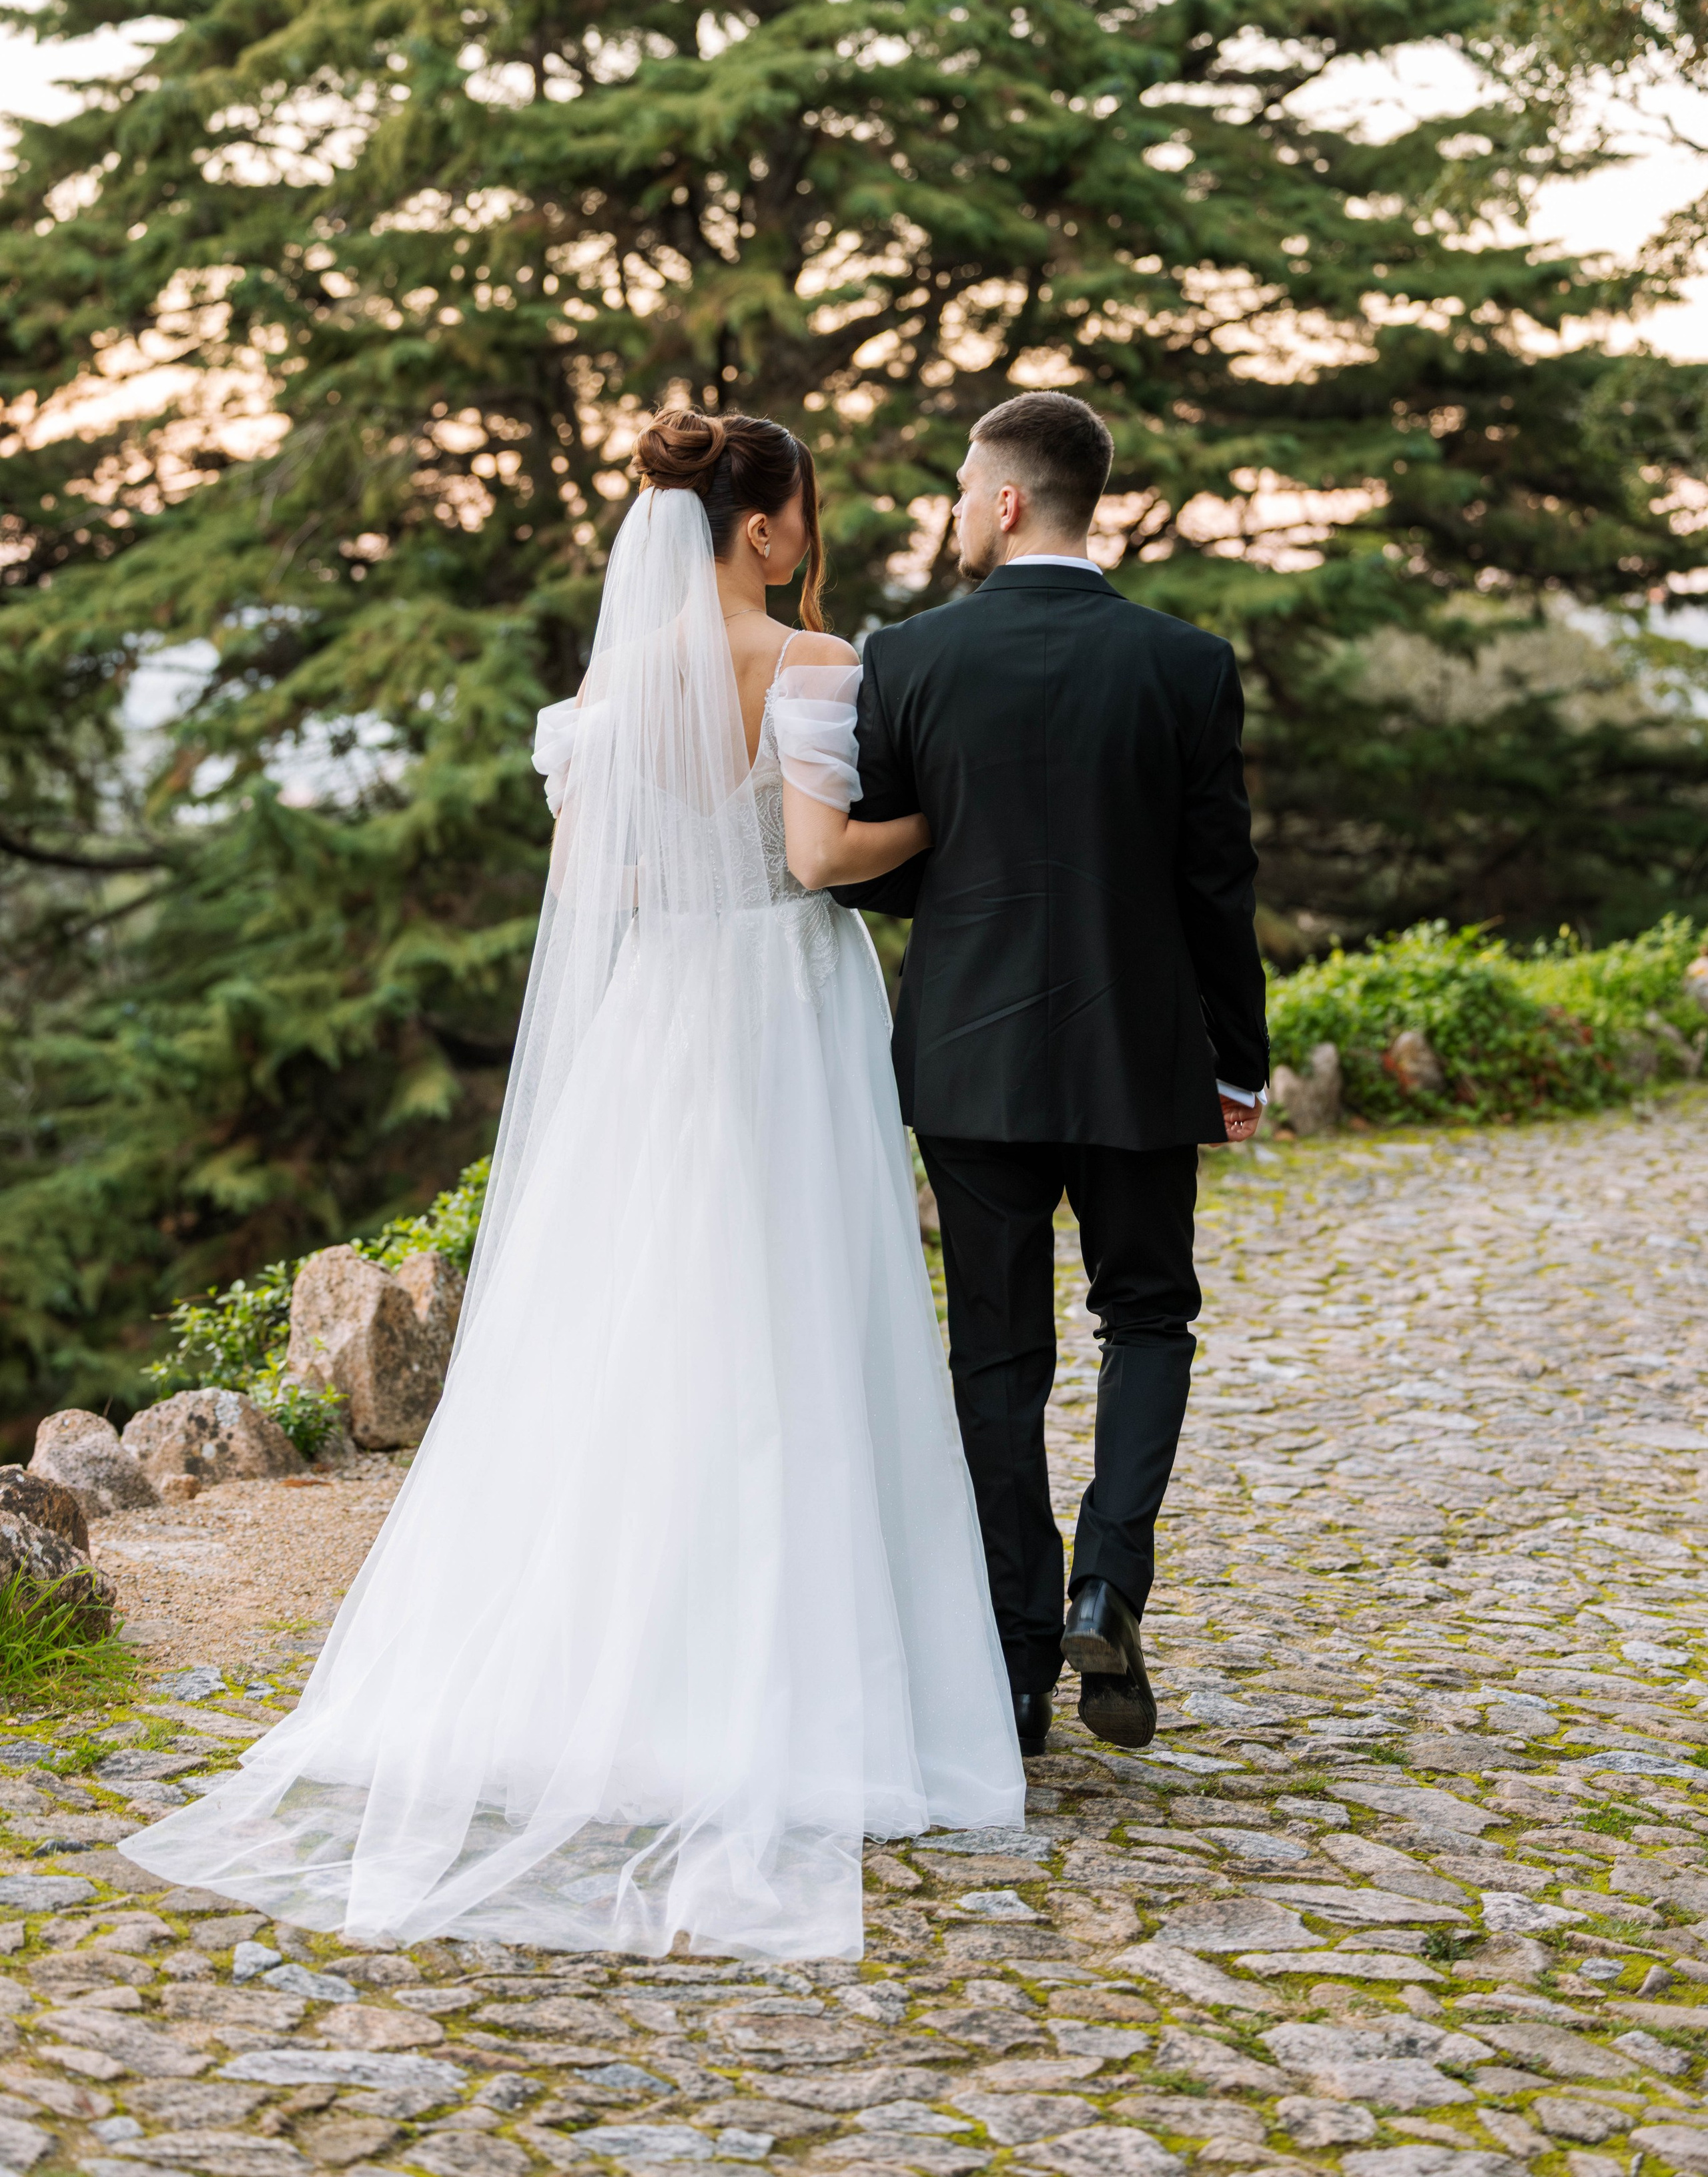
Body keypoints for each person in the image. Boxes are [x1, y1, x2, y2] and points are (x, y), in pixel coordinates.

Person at [121, 411, 1024, 1962]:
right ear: (757, 529)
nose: (813, 530)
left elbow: (604, 885)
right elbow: (818, 859)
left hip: (658, 1021)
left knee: (641, 1326)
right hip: (780, 1007)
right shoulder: (810, 670)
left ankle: (599, 1675)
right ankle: (798, 1687)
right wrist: (948, 820)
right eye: (800, 509)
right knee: (796, 1318)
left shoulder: (611, 696)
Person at [835, 390, 1269, 1757]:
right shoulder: (1184, 664)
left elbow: (885, 860)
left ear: (1008, 500)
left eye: (964, 489)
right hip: (1140, 1056)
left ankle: (1017, 1665)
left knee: (996, 1355)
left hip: (970, 1057)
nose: (956, 513)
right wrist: (1237, 1061)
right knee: (1146, 1318)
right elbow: (1217, 887)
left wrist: (968, 866)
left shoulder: (905, 658)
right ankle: (1107, 1585)